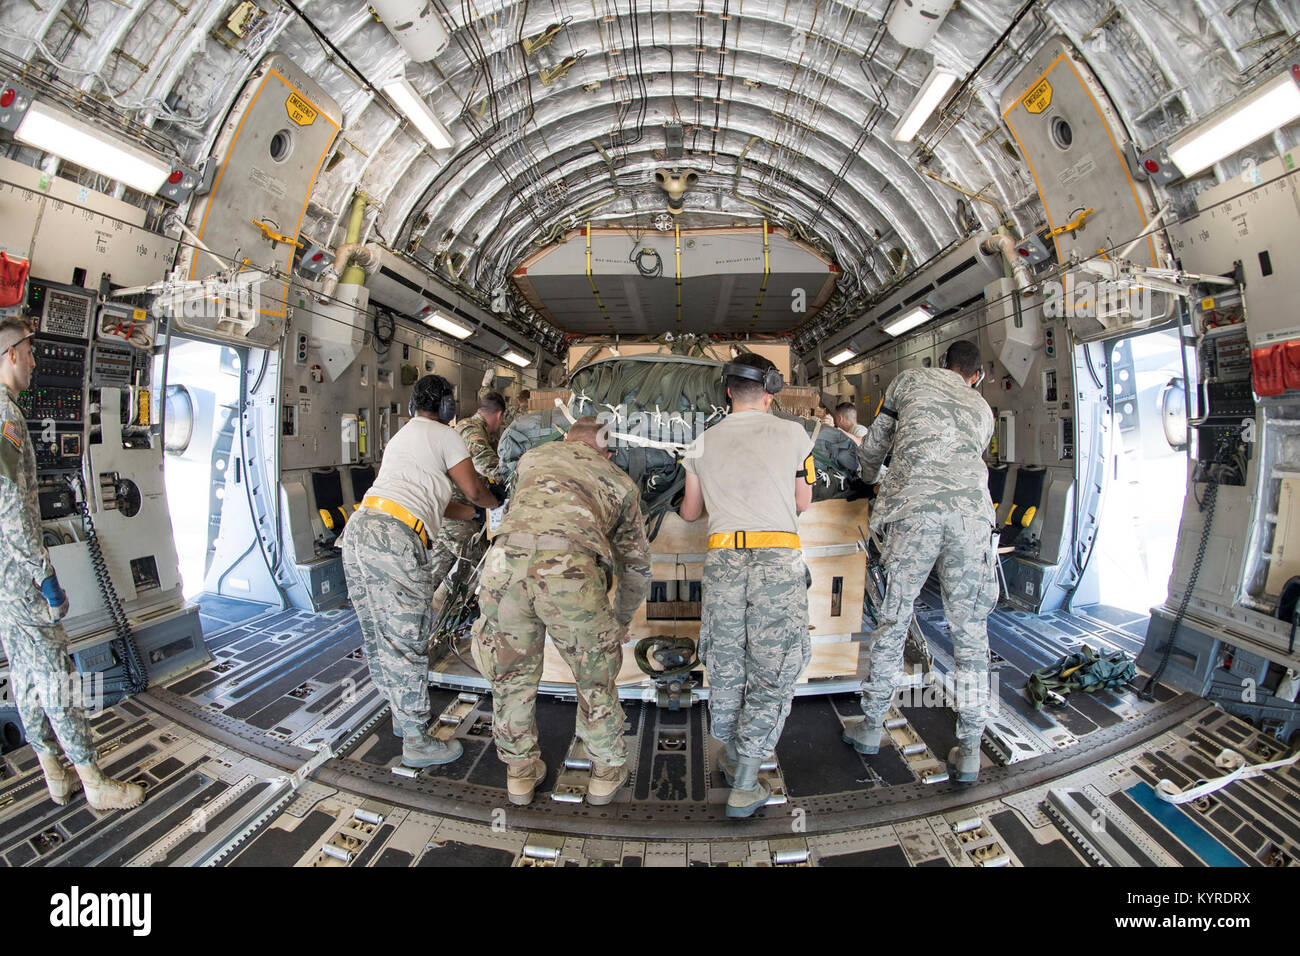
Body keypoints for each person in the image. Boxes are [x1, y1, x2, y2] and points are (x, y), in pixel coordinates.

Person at [0, 317, 145, 811]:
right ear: (12, 354)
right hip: (18, 576)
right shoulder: (6, 418)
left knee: (24, 672)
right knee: (55, 673)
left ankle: (54, 775)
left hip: (2, 579)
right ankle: (93, 781)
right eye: (30, 352)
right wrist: (44, 575)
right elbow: (10, 509)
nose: (36, 361)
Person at [471, 417, 650, 807]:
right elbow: (635, 566)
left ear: (567, 438)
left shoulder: (531, 459)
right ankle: (603, 774)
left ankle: (519, 774)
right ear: (606, 450)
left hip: (503, 566)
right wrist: (618, 620)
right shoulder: (619, 481)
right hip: (569, 571)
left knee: (511, 676)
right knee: (595, 676)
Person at [845, 339, 997, 783]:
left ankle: (872, 727)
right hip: (972, 518)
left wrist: (865, 480)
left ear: (942, 364)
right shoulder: (983, 408)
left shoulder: (908, 380)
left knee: (893, 619)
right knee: (971, 633)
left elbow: (875, 445)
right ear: (976, 375)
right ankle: (969, 748)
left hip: (914, 512)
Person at [679, 354, 814, 818]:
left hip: (723, 559)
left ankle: (734, 752)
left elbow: (690, 514)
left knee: (726, 655)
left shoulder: (701, 441)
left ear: (727, 392)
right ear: (771, 389)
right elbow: (804, 501)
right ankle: (745, 778)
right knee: (772, 661)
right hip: (777, 556)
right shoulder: (795, 434)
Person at [340, 374, 499, 768]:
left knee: (380, 633)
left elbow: (439, 501)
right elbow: (476, 490)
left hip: (360, 531)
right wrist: (495, 503)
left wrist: (475, 515)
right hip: (394, 541)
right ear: (448, 408)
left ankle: (401, 715)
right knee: (408, 637)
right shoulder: (447, 436)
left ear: (413, 405)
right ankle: (416, 740)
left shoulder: (402, 437)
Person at [428, 391, 506, 594]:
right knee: (489, 567)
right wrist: (512, 480)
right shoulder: (471, 430)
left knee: (435, 575)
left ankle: (429, 610)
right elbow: (485, 463)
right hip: (457, 517)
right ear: (500, 415)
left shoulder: (468, 427)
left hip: (451, 513)